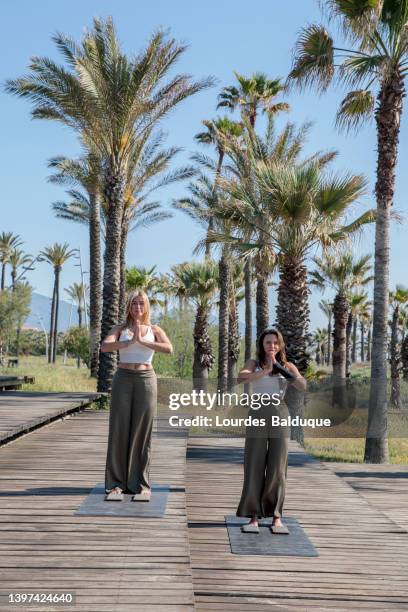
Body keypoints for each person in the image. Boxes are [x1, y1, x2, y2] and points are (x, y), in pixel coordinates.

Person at [101, 289, 173, 502]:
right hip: (123, 378)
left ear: (146, 307)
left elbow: (168, 348)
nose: (138, 308)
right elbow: (105, 347)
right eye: (134, 304)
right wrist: (128, 341)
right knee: (119, 429)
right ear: (129, 307)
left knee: (143, 432)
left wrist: (143, 340)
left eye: (141, 304)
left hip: (146, 380)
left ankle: (140, 484)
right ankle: (115, 484)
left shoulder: (154, 328)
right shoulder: (120, 328)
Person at [236, 328, 306, 534]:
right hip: (257, 412)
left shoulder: (287, 365)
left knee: (277, 465)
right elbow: (242, 378)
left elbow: (302, 385)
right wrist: (267, 370)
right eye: (268, 342)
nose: (272, 346)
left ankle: (276, 515)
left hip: (280, 413)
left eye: (275, 343)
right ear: (262, 345)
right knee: (254, 462)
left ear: (280, 345)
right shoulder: (253, 364)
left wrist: (281, 369)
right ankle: (253, 516)